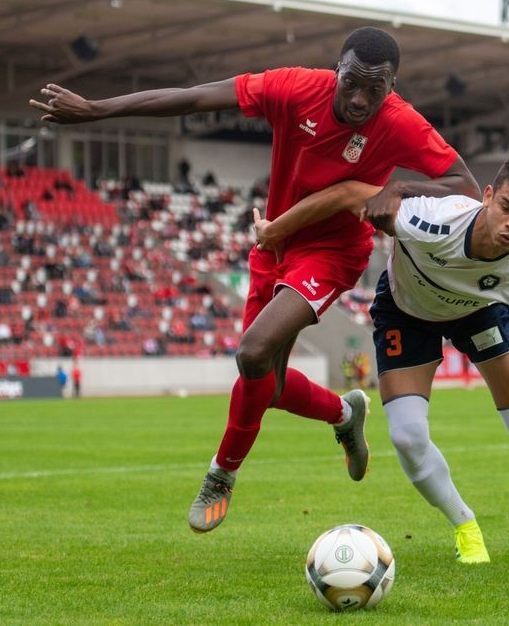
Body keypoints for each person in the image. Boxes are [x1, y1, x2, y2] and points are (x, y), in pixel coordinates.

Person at [31, 26, 480, 534]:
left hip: (332, 252)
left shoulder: (400, 123)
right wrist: (97, 110)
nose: (358, 99)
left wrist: (398, 187)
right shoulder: (294, 88)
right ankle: (342, 413)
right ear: (338, 68)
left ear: (391, 86)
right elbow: (195, 97)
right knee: (268, 384)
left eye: (373, 90)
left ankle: (221, 474)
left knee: (251, 352)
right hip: (273, 244)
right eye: (351, 82)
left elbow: (463, 184)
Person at [262, 153, 509, 562]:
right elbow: (350, 193)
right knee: (406, 436)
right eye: (506, 208)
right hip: (407, 312)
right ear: (488, 196)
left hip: (478, 310)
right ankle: (464, 525)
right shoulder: (430, 219)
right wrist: (275, 231)